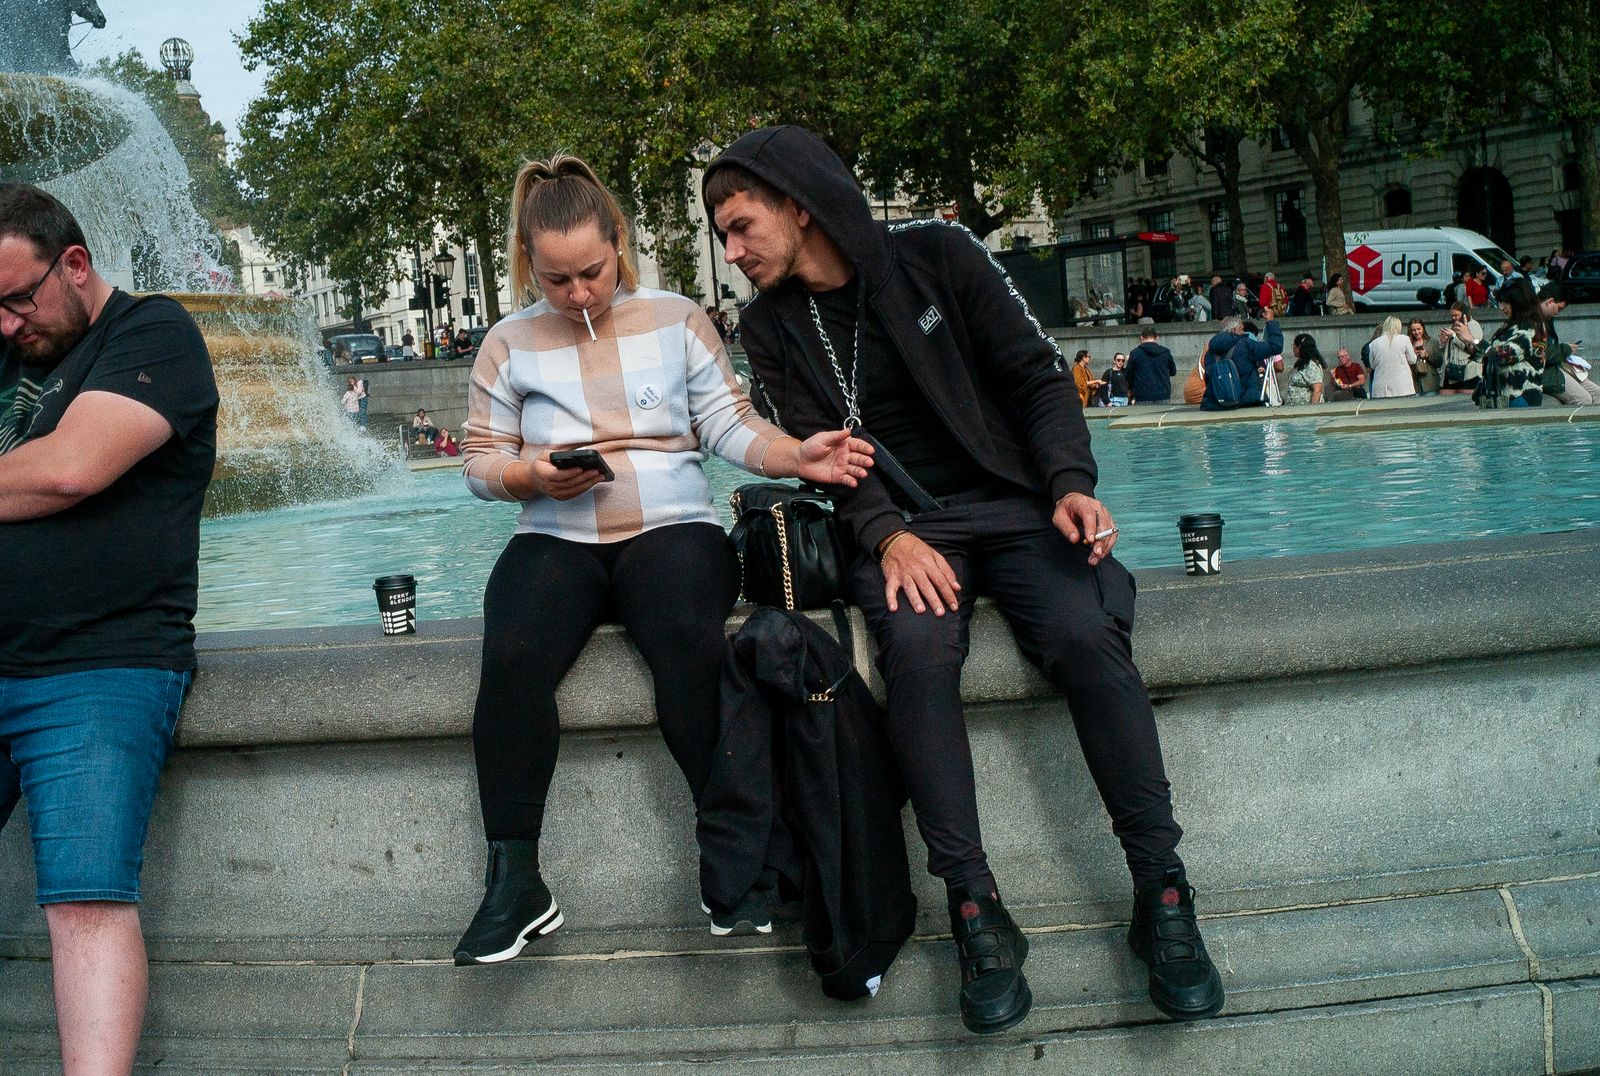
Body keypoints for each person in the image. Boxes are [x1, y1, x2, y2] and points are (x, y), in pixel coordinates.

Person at [704, 125, 1225, 1034]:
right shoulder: (770, 328)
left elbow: (1037, 378)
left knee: (1085, 635)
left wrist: (1069, 485)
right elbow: (823, 462)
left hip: (1017, 503)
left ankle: (1163, 893)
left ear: (798, 204)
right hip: (904, 527)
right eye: (724, 235)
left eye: (742, 226)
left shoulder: (938, 257)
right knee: (913, 652)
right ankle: (977, 908)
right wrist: (888, 538)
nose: (732, 251)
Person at [453, 154, 873, 966]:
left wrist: (797, 457)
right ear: (526, 262)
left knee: (688, 641)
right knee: (508, 655)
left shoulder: (680, 317)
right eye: (556, 279)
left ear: (620, 243)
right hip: (554, 536)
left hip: (672, 527)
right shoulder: (505, 342)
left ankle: (740, 868)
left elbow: (725, 422)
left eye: (592, 272)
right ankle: (515, 881)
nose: (578, 293)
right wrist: (527, 475)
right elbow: (479, 461)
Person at [0, 183, 218, 1071]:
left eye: (20, 298)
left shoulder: (152, 333)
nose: (8, 325)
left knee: (84, 899)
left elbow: (70, 469)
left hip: (97, 663)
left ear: (76, 264)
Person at [1472, 278, 1544, 408]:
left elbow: (1506, 355)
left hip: (1520, 395)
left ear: (1519, 302)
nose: (1502, 307)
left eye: (1506, 302)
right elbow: (1485, 356)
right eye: (1500, 302)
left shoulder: (1530, 326)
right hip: (1505, 395)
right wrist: (1467, 341)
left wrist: (1473, 340)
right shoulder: (1511, 325)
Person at [1200, 315, 1283, 410]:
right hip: (1246, 402)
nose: (1244, 332)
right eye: (1242, 329)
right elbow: (1275, 346)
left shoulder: (1210, 352)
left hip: (1214, 404)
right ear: (1234, 331)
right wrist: (1271, 322)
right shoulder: (1245, 344)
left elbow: (1208, 379)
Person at [1437, 301, 1484, 394]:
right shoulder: (1453, 326)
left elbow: (1474, 347)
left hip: (1468, 370)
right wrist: (1443, 342)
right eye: (1452, 315)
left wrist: (1454, 336)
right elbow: (1447, 350)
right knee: (1444, 396)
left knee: (1466, 398)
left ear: (1464, 314)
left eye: (1456, 315)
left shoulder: (1473, 325)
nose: (1454, 318)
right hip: (1451, 369)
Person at [1368, 316, 1417, 398]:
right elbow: (1413, 360)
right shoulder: (1404, 339)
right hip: (1402, 386)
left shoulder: (1374, 344)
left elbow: (1372, 365)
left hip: (1381, 387)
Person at [1126, 326, 1176, 404]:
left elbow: (1127, 375)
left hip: (1142, 395)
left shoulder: (1134, 353)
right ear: (1157, 338)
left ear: (1141, 338)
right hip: (1163, 394)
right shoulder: (1166, 352)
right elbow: (1173, 372)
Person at [1286, 333, 1327, 405]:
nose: (1293, 348)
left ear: (1299, 347)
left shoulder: (1311, 364)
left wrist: (1312, 410)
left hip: (1306, 409)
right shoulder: (1302, 364)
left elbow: (1317, 390)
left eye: (1294, 345)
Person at [1406, 319, 1440, 394]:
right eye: (1414, 330)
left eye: (1419, 329)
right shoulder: (1407, 344)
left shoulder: (1433, 342)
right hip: (1414, 382)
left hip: (1430, 382)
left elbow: (1439, 362)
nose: (1417, 332)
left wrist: (1427, 355)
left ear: (1423, 328)